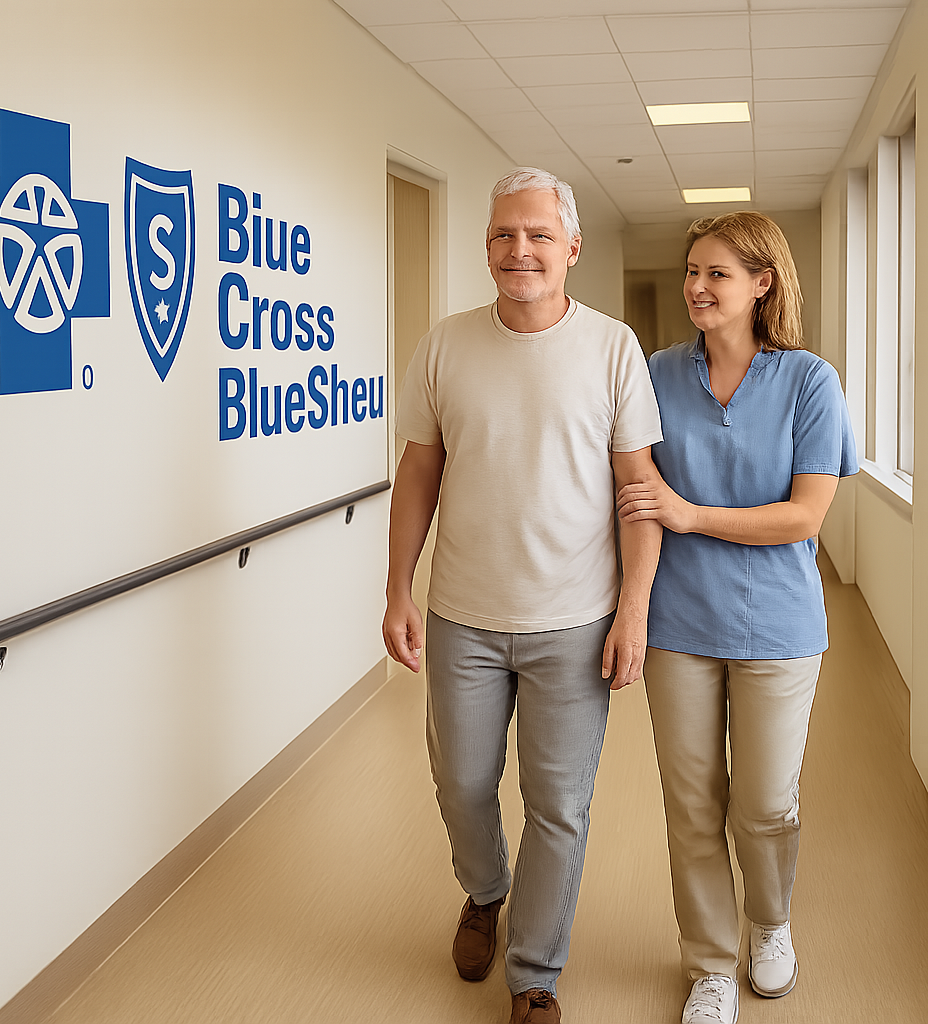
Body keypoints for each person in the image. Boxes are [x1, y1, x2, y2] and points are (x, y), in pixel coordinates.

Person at [382, 167, 664, 1024]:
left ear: (571, 248)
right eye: (505, 234)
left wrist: (634, 611)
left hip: (575, 622)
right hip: (462, 615)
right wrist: (397, 586)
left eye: (539, 234)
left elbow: (637, 490)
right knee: (463, 784)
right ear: (488, 247)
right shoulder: (446, 344)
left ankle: (534, 973)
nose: (521, 250)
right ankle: (484, 890)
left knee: (559, 806)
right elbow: (419, 470)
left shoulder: (613, 349)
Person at [617, 211, 858, 1024]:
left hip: (779, 630)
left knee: (764, 803)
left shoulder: (810, 382)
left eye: (717, 273)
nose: (696, 286)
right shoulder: (653, 374)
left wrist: (690, 514)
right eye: (692, 271)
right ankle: (711, 965)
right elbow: (630, 493)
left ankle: (770, 921)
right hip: (680, 625)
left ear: (764, 284)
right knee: (691, 804)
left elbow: (803, 516)